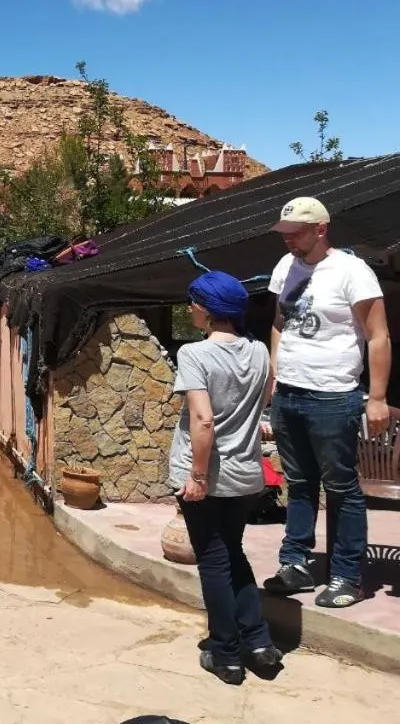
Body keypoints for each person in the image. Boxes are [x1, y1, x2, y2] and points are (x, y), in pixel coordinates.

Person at [263, 197, 391, 608]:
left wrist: (378, 398)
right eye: (284, 233)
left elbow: (378, 336)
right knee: (299, 484)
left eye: (295, 232)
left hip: (334, 396)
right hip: (290, 395)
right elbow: (280, 323)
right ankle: (295, 564)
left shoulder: (353, 272)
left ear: (321, 229)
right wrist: (274, 376)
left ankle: (347, 576)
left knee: (341, 489)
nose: (288, 241)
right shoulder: (286, 268)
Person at [169, 271, 281, 685]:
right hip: (246, 474)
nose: (189, 309)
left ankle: (226, 654)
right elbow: (260, 402)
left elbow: (203, 419)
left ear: (206, 309)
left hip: (208, 475)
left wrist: (197, 476)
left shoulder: (195, 355)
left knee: (214, 562)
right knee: (234, 555)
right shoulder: (258, 352)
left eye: (192, 302)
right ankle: (260, 644)